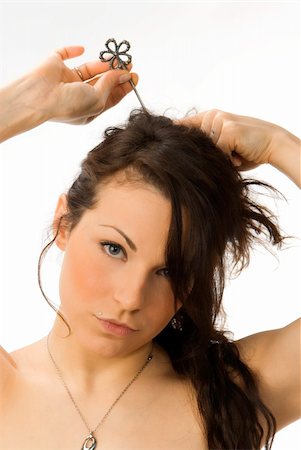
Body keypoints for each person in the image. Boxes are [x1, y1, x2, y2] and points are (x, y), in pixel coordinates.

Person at [0, 46, 300, 450]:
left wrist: (280, 145)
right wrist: (21, 104)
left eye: (170, 270)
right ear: (64, 224)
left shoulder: (230, 396)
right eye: (114, 249)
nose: (130, 298)